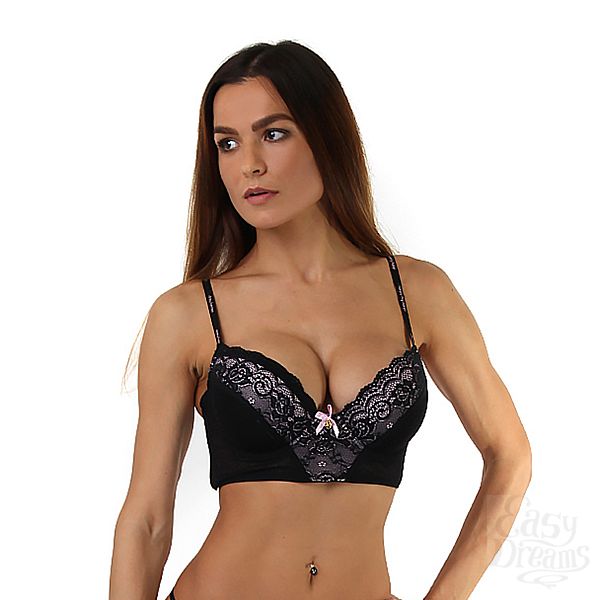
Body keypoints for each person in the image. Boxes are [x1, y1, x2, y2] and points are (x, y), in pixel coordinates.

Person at [109, 40, 532, 600]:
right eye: (227, 143)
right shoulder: (189, 314)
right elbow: (146, 519)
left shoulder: (417, 293)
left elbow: (510, 456)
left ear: (327, 137)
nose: (249, 164)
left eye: (274, 134)